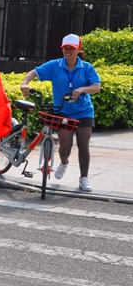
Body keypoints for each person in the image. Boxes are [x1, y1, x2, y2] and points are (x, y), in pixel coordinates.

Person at [19, 34, 101, 192]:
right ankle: (64, 163)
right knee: (65, 145)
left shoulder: (87, 68)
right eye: (65, 47)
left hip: (84, 111)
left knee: (83, 144)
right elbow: (33, 73)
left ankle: (84, 178)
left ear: (78, 49)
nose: (68, 50)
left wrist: (82, 89)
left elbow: (96, 87)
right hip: (62, 111)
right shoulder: (55, 65)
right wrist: (24, 83)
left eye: (72, 48)